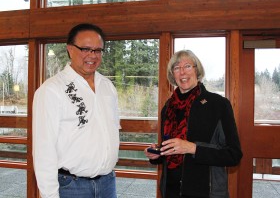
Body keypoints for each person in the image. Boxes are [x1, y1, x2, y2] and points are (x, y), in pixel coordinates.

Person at [32, 23, 120, 198]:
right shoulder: (52, 89)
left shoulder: (107, 86)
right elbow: (43, 148)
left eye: (98, 50)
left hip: (107, 183)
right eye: (86, 49)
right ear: (70, 49)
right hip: (71, 187)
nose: (92, 56)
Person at [144, 50, 243, 198]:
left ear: (197, 70)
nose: (182, 72)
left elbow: (233, 155)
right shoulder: (168, 107)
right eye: (177, 68)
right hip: (171, 191)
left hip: (206, 192)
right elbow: (171, 149)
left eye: (188, 66)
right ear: (173, 75)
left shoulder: (218, 104)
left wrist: (193, 148)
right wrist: (157, 154)